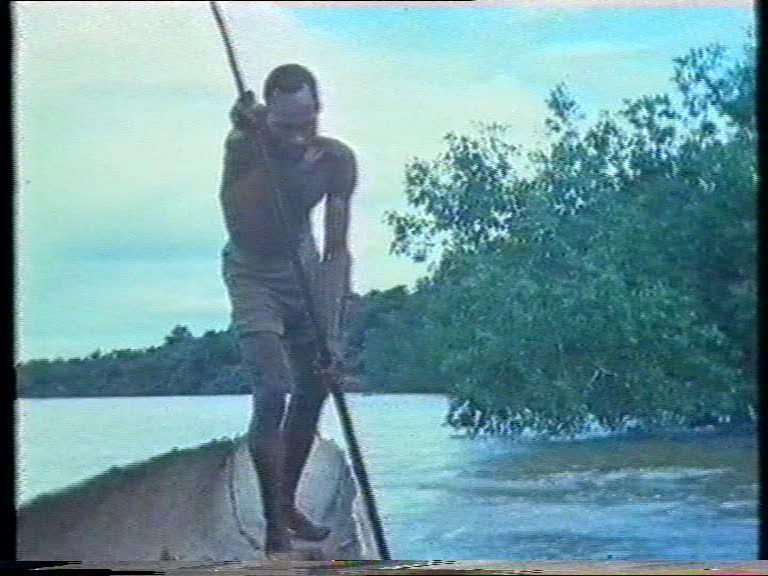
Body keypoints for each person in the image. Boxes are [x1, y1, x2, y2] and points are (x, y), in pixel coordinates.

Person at [218, 63, 356, 556]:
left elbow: (336, 251)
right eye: (285, 126)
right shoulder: (246, 145)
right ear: (268, 116)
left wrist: (331, 330)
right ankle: (274, 521)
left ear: (318, 110)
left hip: (302, 265)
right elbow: (245, 139)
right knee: (273, 389)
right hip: (252, 272)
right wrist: (249, 127)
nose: (299, 136)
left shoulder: (337, 161)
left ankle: (288, 501)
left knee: (315, 382)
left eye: (307, 124)